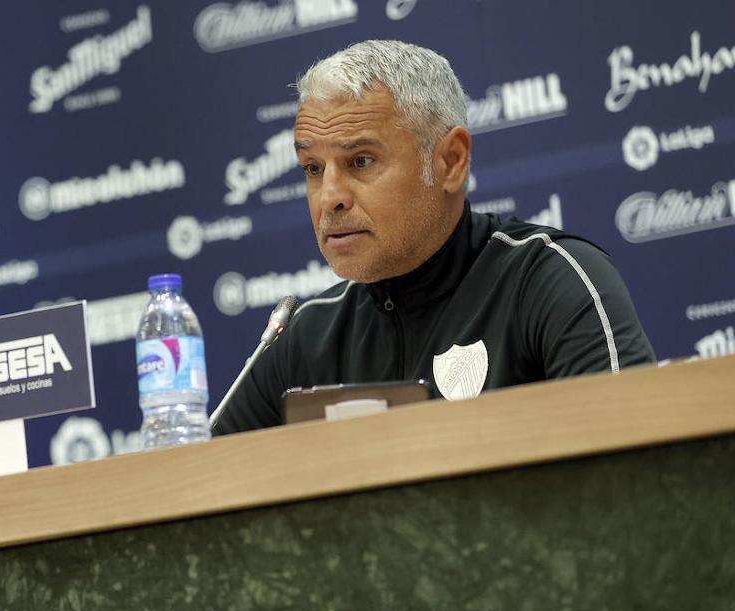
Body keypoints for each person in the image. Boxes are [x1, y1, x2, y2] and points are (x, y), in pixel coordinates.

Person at [212, 40, 655, 435]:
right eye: (313, 168)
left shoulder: (550, 282)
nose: (329, 198)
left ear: (450, 161)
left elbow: (634, 462)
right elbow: (202, 482)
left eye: (360, 161)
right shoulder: (305, 336)